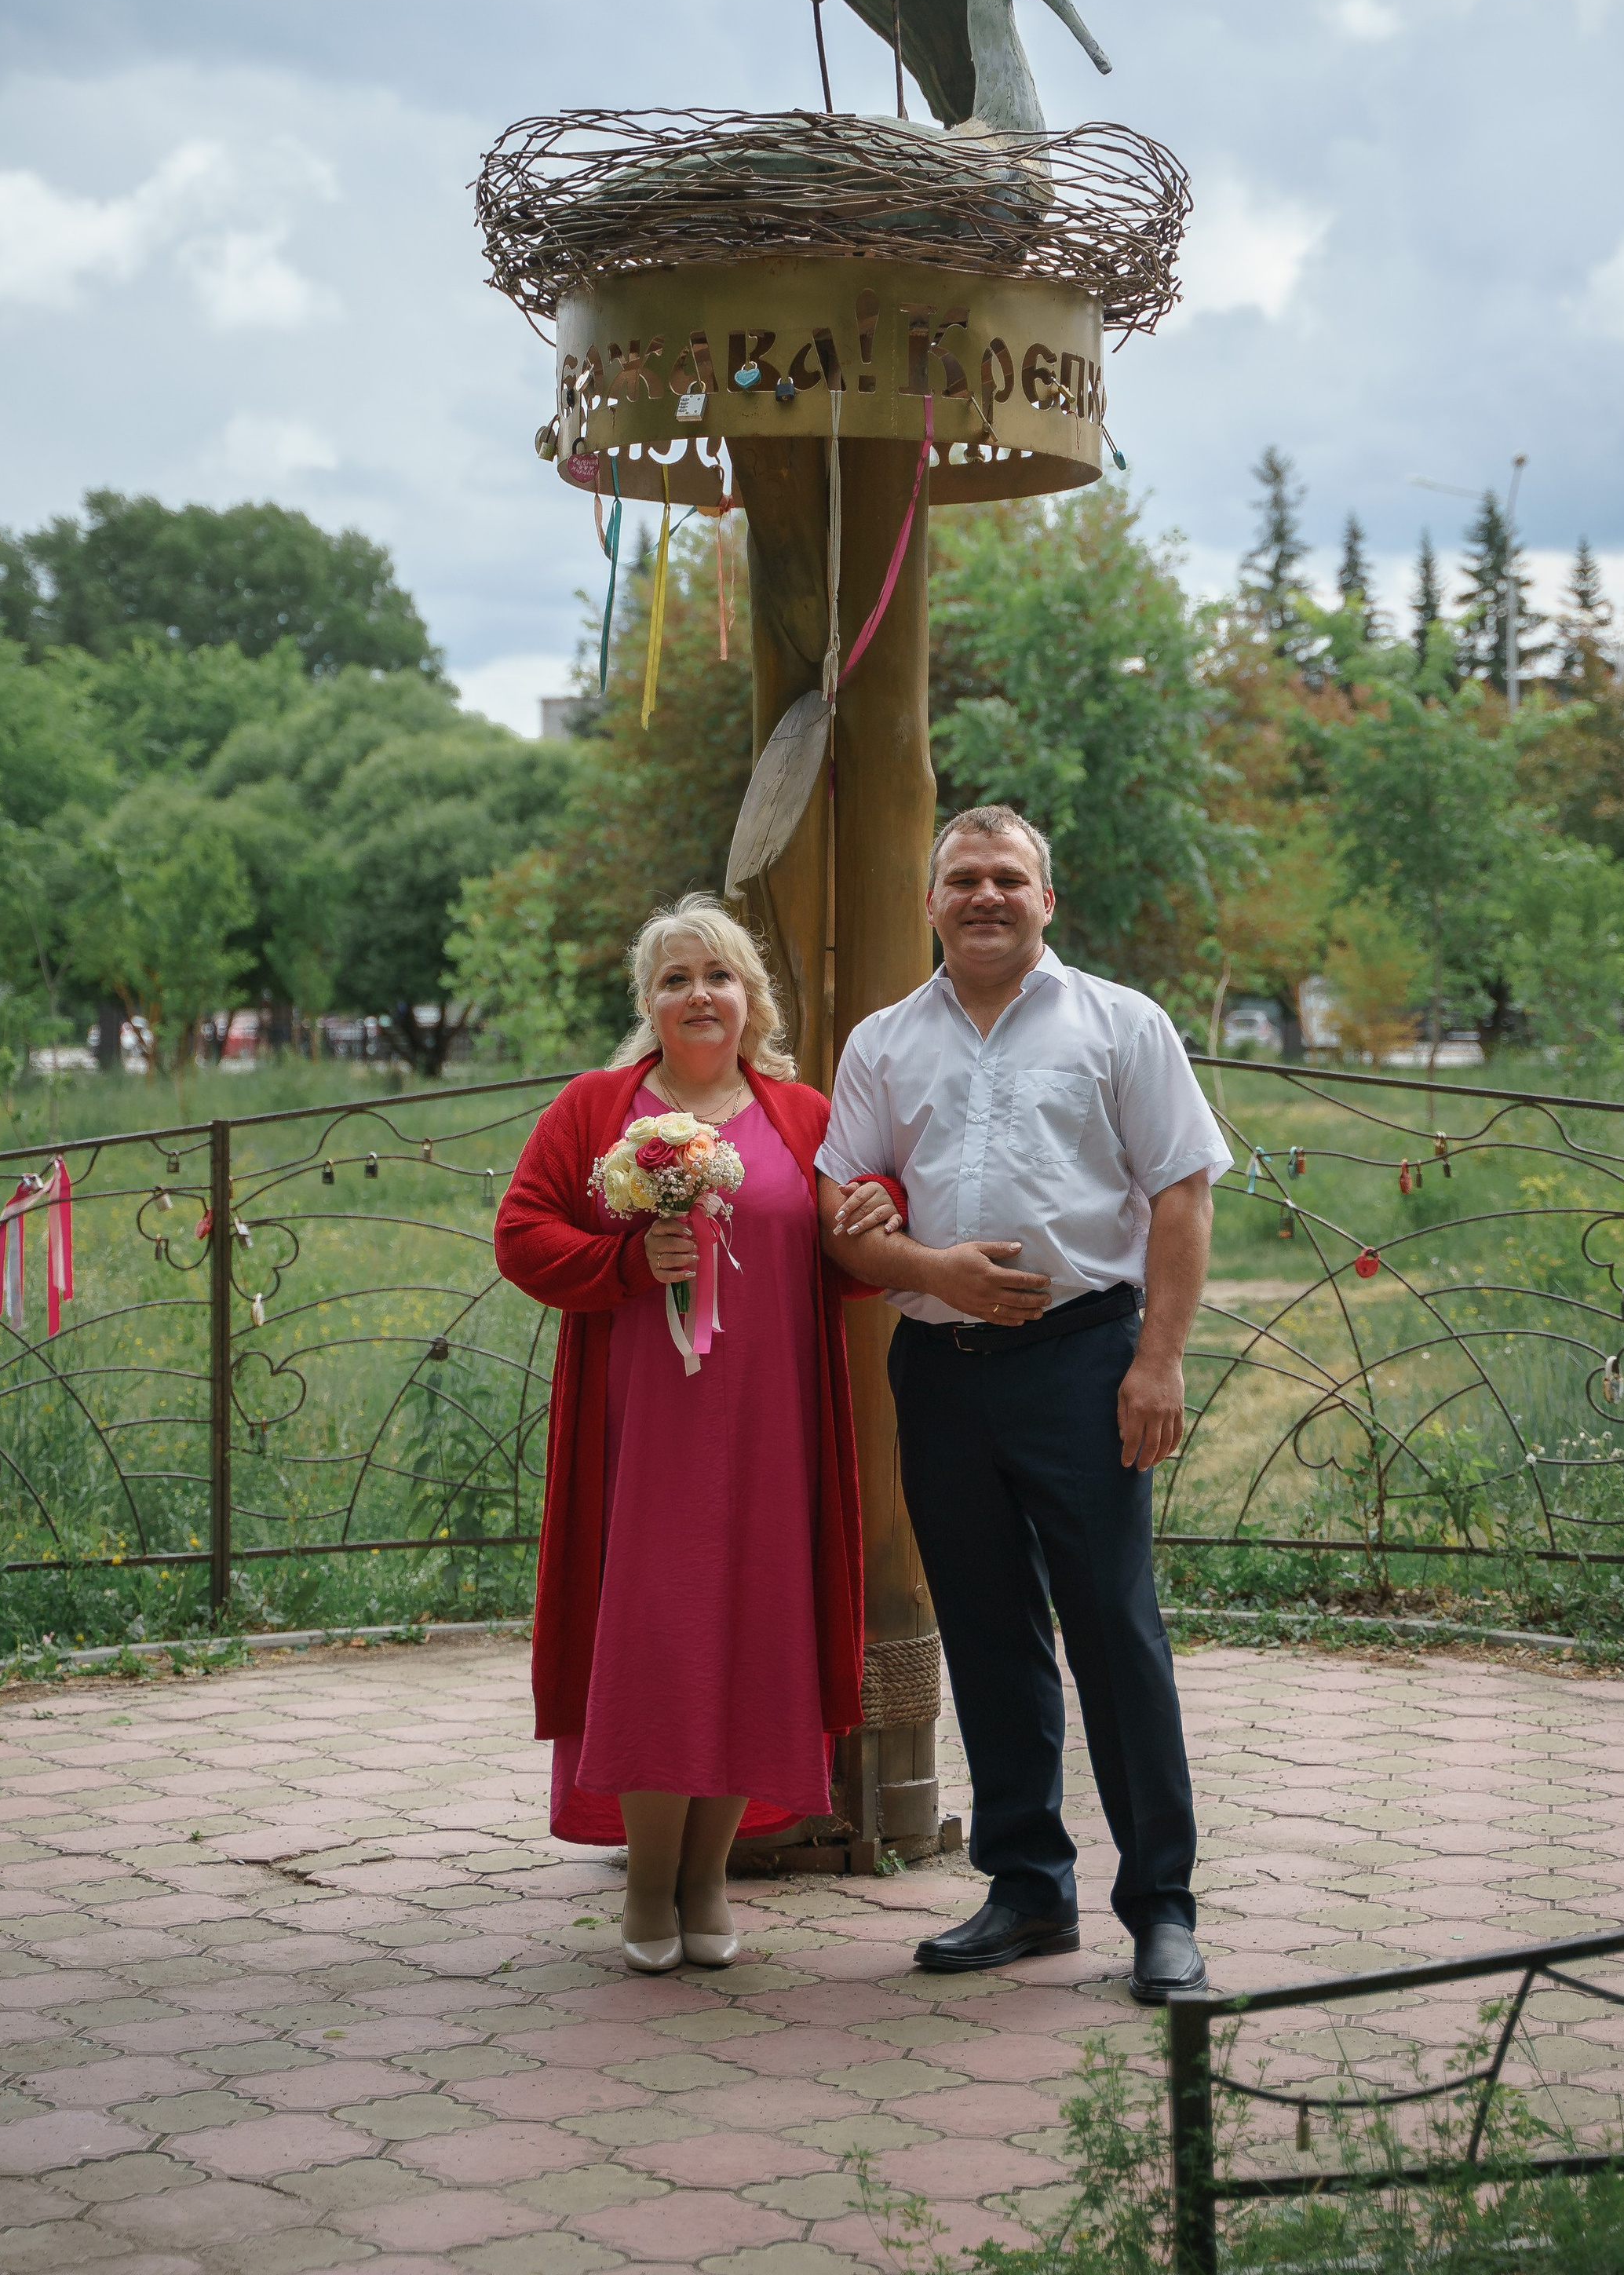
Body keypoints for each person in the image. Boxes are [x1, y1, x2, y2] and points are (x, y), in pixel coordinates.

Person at [818, 804, 1229, 2000]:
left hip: (1084, 1365)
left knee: (1114, 1632)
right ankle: (1029, 1890)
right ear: (931, 901)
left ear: (1048, 899)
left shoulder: (1122, 1023)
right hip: (940, 1373)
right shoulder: (884, 1043)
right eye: (963, 878)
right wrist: (928, 1271)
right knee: (989, 1636)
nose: (985, 895)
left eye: (1008, 877)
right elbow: (844, 1218)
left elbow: (1183, 1195)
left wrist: (1158, 1363)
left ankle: (1161, 1908)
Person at [495, 897, 884, 1974]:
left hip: (771, 1430)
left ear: (750, 997)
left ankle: (710, 1878)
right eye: (676, 979)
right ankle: (648, 1884)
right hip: (644, 1440)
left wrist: (882, 1204)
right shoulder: (595, 1108)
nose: (699, 995)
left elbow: (851, 1240)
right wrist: (624, 1263)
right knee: (657, 1641)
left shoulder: (803, 1115)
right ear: (649, 1003)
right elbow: (522, 1235)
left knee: (753, 1637)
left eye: (718, 976)